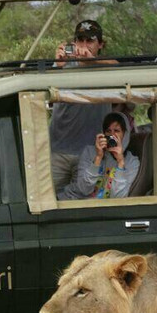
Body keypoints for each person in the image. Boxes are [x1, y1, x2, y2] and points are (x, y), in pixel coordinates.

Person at [49, 19, 116, 190]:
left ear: (100, 44)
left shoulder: (107, 68)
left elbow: (121, 66)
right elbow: (43, 93)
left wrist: (92, 60)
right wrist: (57, 64)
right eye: (80, 40)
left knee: (83, 202)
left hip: (91, 153)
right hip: (57, 151)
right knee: (49, 202)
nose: (84, 45)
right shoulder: (63, 66)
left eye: (90, 40)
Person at [57, 112, 140, 200]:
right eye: (108, 131)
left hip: (98, 208)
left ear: (125, 134)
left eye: (116, 131)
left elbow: (118, 197)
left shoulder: (131, 162)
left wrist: (120, 163)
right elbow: (84, 189)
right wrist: (98, 158)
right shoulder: (89, 152)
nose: (112, 135)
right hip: (72, 200)